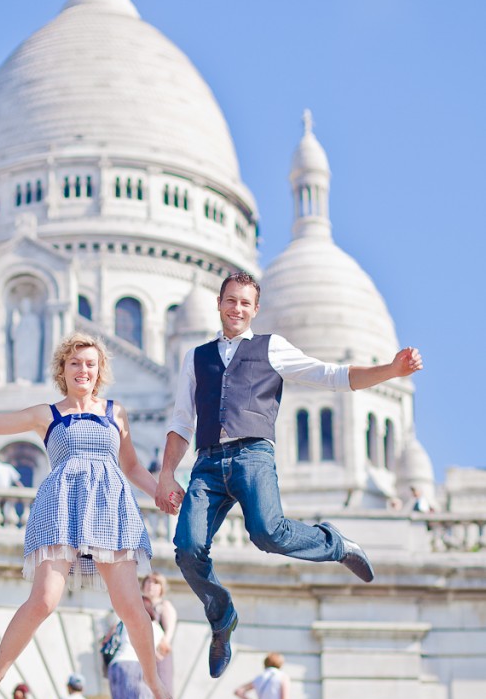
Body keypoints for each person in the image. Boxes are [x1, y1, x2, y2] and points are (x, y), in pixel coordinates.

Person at [155, 272, 423, 678]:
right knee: (187, 549)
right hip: (207, 463)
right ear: (219, 303)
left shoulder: (271, 348)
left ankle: (335, 544)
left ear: (255, 309)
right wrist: (166, 474)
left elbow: (333, 376)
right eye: (231, 300)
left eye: (245, 303)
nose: (237, 308)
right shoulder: (195, 357)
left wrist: (390, 370)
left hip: (252, 455)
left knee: (267, 533)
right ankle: (222, 616)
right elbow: (180, 422)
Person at [0, 331, 177, 699]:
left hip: (110, 508)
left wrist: (160, 493)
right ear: (62, 369)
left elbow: (131, 467)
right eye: (75, 363)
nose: (83, 370)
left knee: (131, 606)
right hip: (61, 508)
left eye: (90, 364)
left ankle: (153, 678)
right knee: (44, 600)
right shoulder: (46, 414)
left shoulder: (115, 412)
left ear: (99, 371)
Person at [107, 597, 163, 699]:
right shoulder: (154, 627)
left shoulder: (124, 622)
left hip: (116, 666)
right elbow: (156, 651)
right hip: (135, 664)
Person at [141, 572, 177, 699]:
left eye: (155, 583)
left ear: (161, 588)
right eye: (148, 582)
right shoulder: (139, 604)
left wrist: (162, 645)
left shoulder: (164, 606)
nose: (150, 585)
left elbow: (169, 632)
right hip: (141, 656)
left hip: (160, 657)